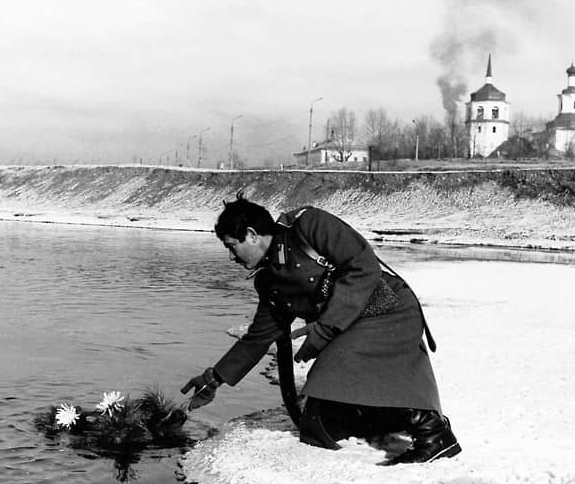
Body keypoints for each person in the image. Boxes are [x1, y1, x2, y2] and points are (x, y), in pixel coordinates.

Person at [181, 195, 461, 465]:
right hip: (349, 325)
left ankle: (435, 435)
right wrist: (214, 378)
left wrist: (325, 330)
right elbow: (260, 336)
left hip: (388, 311)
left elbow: (364, 266)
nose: (232, 257)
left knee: (332, 370)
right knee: (317, 427)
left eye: (232, 246)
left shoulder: (309, 225)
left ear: (252, 235)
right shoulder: (268, 281)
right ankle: (382, 418)